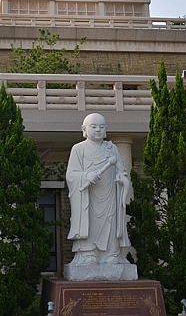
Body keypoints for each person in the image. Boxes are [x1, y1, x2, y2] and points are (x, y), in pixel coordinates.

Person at [66, 113, 132, 265]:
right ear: (84, 129)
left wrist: (122, 180)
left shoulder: (112, 148)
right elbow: (71, 175)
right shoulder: (78, 149)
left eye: (101, 127)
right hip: (88, 197)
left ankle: (111, 254)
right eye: (93, 126)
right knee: (90, 222)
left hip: (110, 194)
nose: (97, 130)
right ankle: (89, 253)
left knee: (110, 222)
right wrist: (86, 176)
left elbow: (121, 170)